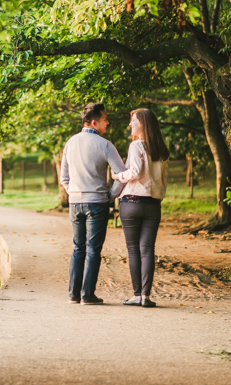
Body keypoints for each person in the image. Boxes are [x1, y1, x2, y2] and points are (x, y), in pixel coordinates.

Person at [60, 103, 126, 305]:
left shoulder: (70, 143)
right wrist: (110, 196)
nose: (108, 122)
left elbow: (64, 177)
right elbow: (122, 176)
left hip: (75, 203)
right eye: (105, 119)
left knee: (78, 247)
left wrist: (74, 193)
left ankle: (73, 295)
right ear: (94, 122)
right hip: (97, 202)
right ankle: (87, 295)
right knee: (92, 250)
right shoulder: (105, 145)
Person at [112, 108, 170, 308]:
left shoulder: (136, 145)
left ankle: (137, 294)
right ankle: (146, 296)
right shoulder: (161, 149)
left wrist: (118, 176)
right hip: (153, 204)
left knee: (133, 250)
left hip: (132, 203)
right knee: (147, 250)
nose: (130, 125)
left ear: (143, 123)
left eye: (133, 121)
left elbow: (134, 172)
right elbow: (163, 180)